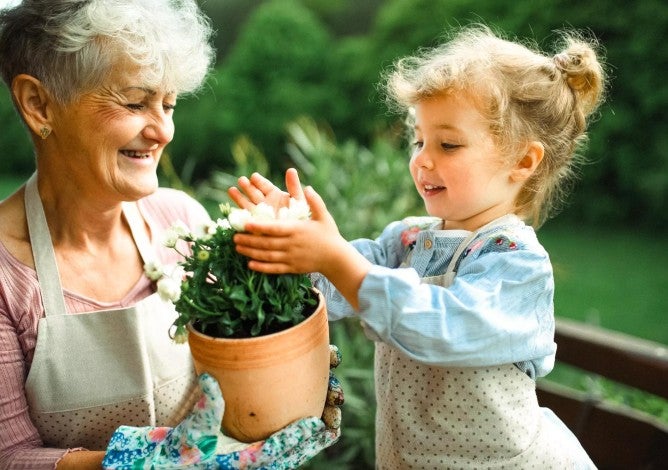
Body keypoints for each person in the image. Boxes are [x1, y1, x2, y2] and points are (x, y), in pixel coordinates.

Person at [230, 24, 606, 468]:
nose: (423, 158)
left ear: (522, 161)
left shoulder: (517, 264)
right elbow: (332, 294)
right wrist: (295, 240)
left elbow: (444, 328)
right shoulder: (408, 240)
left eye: (448, 144)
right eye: (418, 140)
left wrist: (337, 257)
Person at [0, 1, 339, 469]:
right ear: (39, 104)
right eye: (136, 102)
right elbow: (8, 455)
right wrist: (144, 462)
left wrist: (291, 342)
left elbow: (237, 387)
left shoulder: (181, 223)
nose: (163, 130)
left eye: (169, 104)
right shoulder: (6, 273)